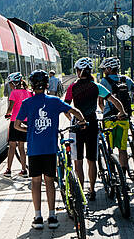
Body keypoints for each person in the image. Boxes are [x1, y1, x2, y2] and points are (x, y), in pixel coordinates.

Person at [15, 69, 86, 230]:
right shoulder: (54, 101)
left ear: (32, 86)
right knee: (49, 182)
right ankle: (52, 216)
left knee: (35, 182)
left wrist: (31, 130)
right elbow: (74, 111)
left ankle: (38, 216)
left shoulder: (27, 103)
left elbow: (16, 125)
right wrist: (83, 122)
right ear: (47, 85)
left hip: (34, 150)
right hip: (50, 149)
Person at [64, 57, 127, 201]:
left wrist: (73, 119)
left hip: (77, 126)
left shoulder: (72, 87)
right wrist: (121, 112)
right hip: (92, 124)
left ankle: (80, 192)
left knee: (78, 161)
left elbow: (66, 107)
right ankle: (92, 190)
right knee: (92, 160)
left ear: (79, 71)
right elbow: (113, 100)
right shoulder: (96, 86)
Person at [98, 57, 134, 177]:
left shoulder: (104, 82)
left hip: (110, 119)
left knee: (110, 148)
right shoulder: (126, 79)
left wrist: (105, 113)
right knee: (122, 148)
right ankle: (123, 176)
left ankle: (113, 173)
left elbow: (100, 102)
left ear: (109, 69)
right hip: (124, 118)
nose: (104, 71)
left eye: (104, 69)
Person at [3, 72, 32, 178]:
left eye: (10, 83)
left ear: (14, 83)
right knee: (21, 147)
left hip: (15, 121)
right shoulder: (28, 92)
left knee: (11, 147)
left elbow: (11, 107)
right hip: (25, 121)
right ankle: (24, 170)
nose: (9, 85)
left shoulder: (14, 93)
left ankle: (8, 170)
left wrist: (7, 114)